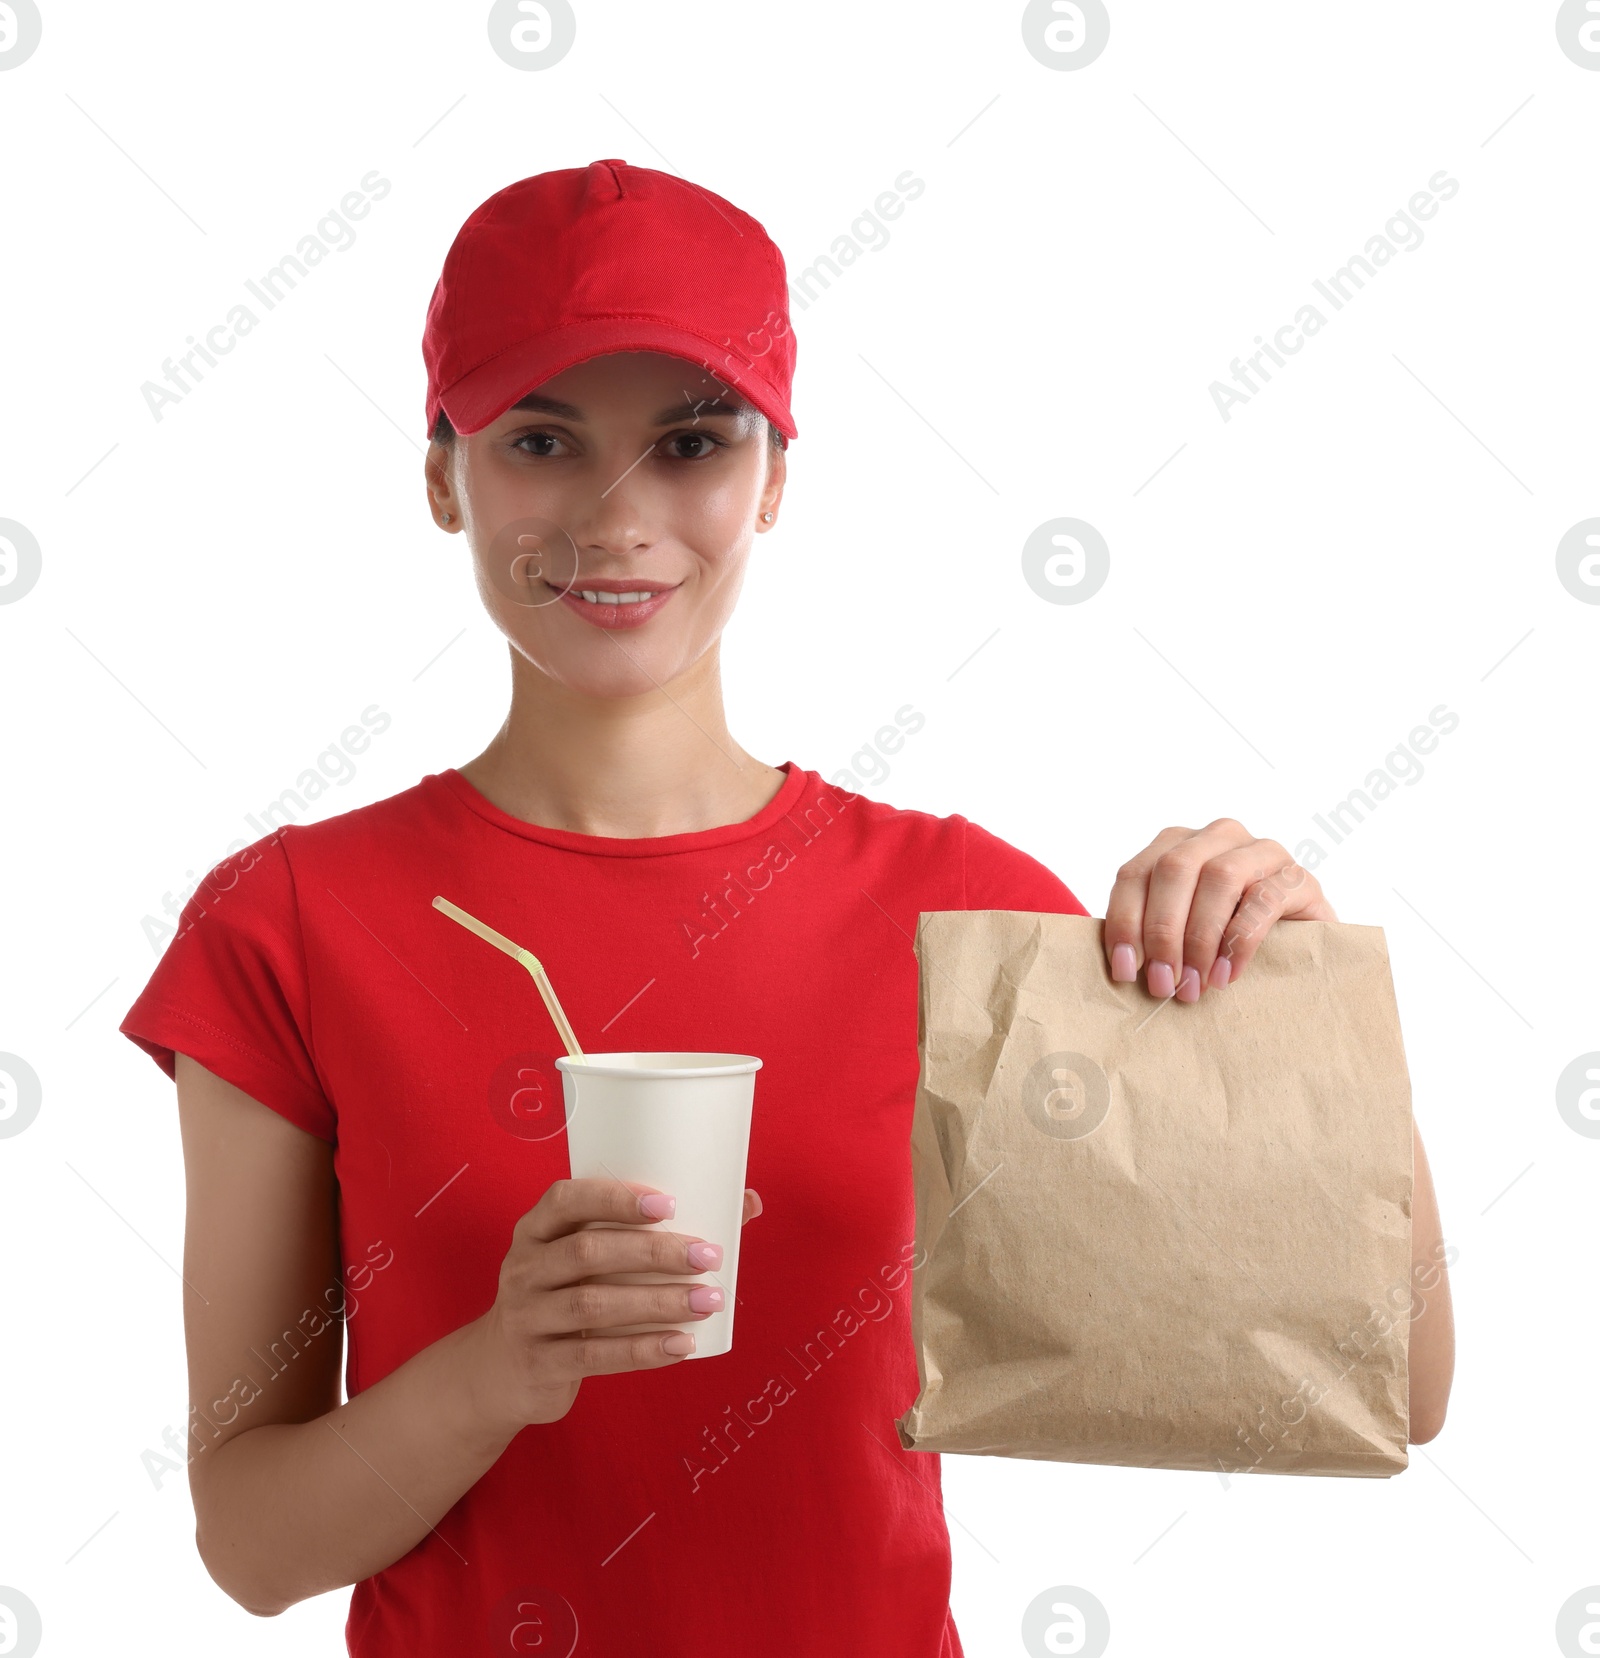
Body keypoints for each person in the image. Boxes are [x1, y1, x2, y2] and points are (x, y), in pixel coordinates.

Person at [120, 159, 1454, 1657]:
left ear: (777, 475)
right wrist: (494, 1366)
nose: (617, 516)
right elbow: (248, 1542)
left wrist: (1300, 1001)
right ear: (443, 475)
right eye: (543, 440)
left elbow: (1385, 1378)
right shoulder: (293, 923)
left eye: (690, 441)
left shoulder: (960, 916)